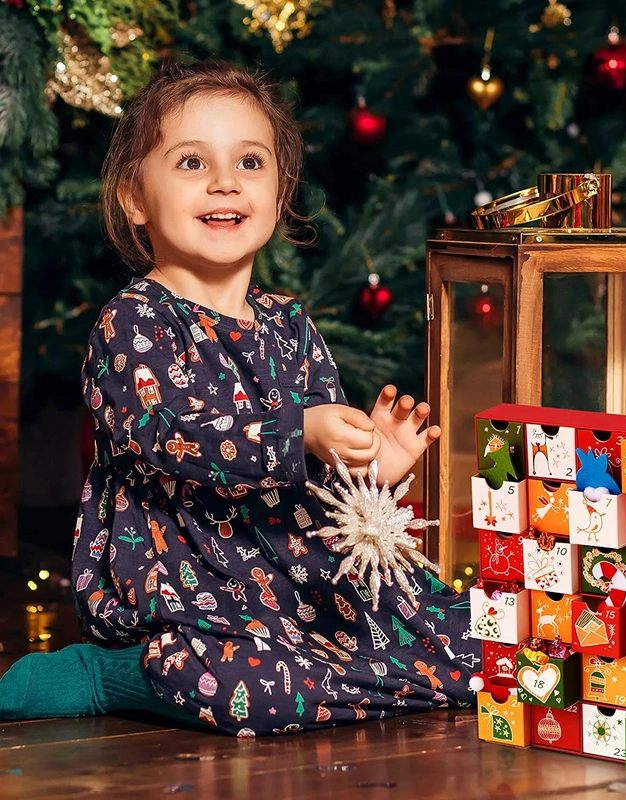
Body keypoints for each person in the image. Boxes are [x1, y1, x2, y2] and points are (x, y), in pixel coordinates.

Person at [0, 60, 478, 736]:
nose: (225, 180)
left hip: (295, 581)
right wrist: (297, 433)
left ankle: (351, 668)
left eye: (250, 162)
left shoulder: (290, 324)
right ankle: (122, 674)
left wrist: (368, 469)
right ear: (135, 197)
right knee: (244, 688)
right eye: (192, 162)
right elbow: (169, 434)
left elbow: (316, 472)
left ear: (281, 193)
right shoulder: (134, 322)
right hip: (187, 589)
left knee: (474, 643)